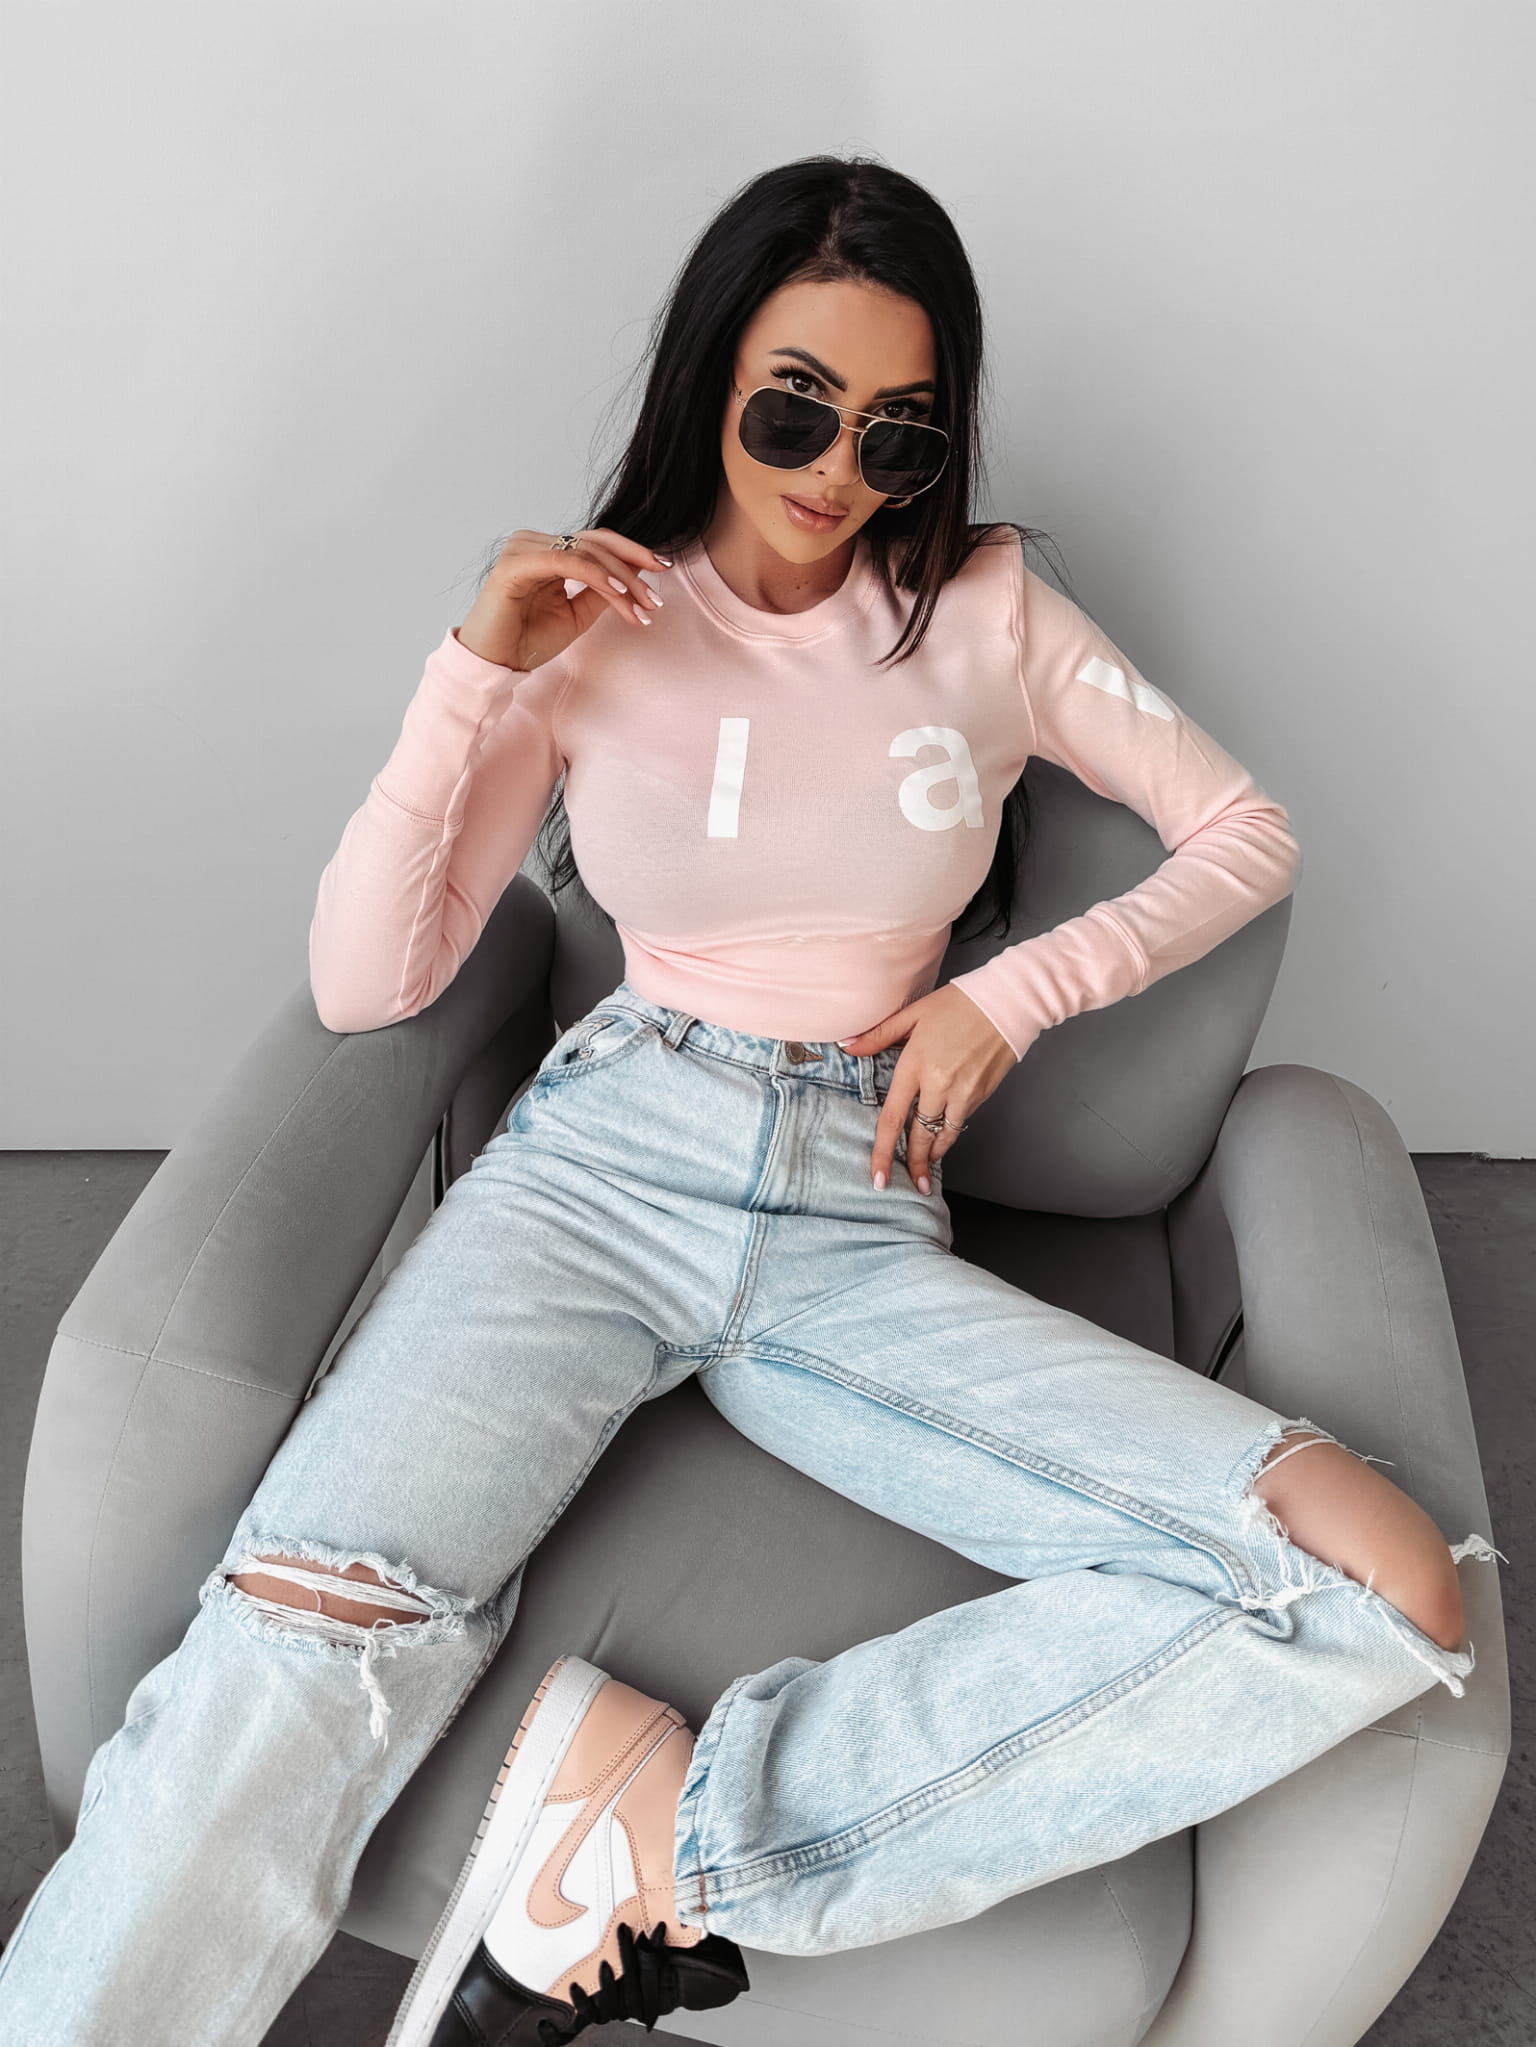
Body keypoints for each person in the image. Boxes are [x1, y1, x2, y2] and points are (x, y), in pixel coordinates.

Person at [0, 154, 1498, 2047]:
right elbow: (370, 981)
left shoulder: (988, 611)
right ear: (713, 377)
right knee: (311, 1638)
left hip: (859, 1206)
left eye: (896, 431)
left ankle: (672, 1853)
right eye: (794, 408)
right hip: (599, 1168)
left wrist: (1008, 998)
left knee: (1385, 1590)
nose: (837, 470)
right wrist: (472, 676)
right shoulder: (594, 624)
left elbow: (1246, 832)